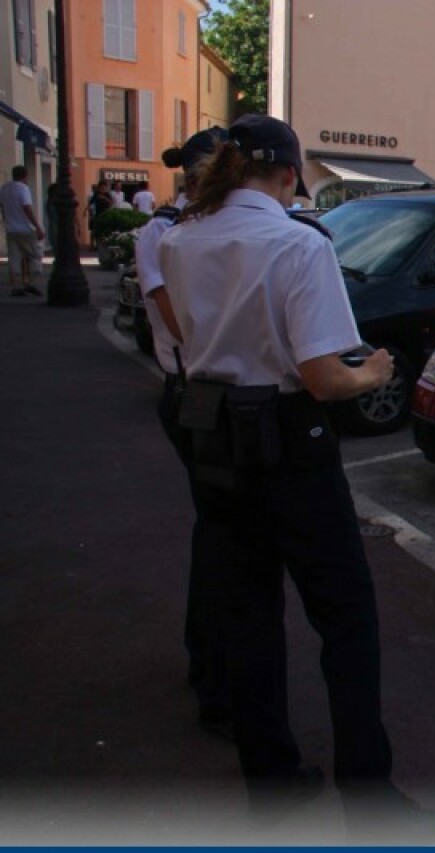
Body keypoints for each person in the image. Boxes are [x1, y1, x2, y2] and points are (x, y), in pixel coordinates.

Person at [158, 114, 435, 839]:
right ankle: (369, 797)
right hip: (289, 439)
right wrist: (375, 371)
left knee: (248, 615)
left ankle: (274, 781)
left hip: (214, 436)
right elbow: (322, 375)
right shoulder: (297, 242)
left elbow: (189, 338)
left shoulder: (179, 238)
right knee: (346, 616)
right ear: (290, 174)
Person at [136, 128, 233, 743]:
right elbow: (182, 324)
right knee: (222, 536)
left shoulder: (194, 233)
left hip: (205, 392)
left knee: (223, 533)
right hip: (197, 391)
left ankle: (216, 669)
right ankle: (214, 677)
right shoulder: (165, 235)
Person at [0, 166, 46, 297]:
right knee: (35, 256)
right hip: (25, 229)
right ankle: (28, 283)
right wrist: (37, 227)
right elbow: (27, 208)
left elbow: (2, 207)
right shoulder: (23, 189)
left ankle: (17, 286)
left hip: (11, 229)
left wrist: (6, 221)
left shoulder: (4, 188)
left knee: (14, 258)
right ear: (25, 176)